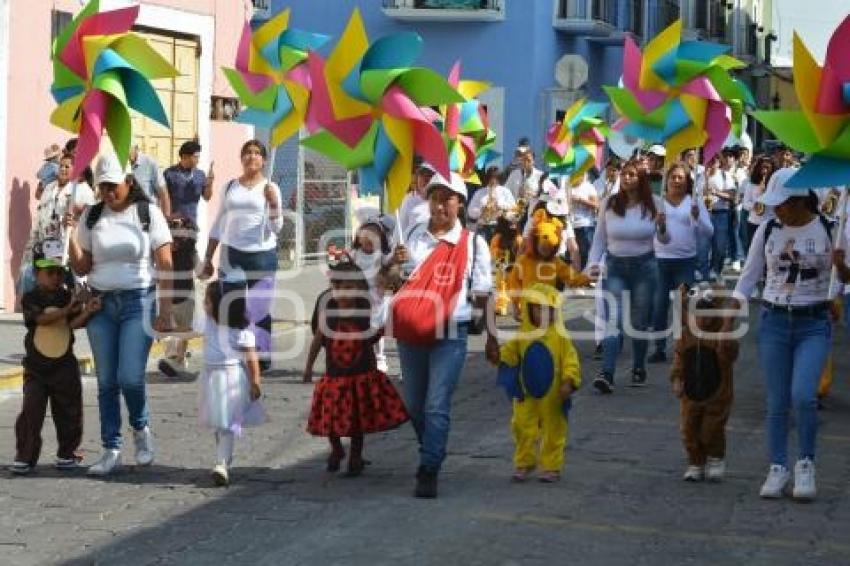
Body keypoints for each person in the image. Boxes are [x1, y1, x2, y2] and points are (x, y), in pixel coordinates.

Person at [733, 168, 844, 501]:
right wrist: (732, 314)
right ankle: (777, 466)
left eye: (781, 204)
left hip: (813, 322)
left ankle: (806, 464)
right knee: (777, 401)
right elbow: (749, 276)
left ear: (799, 199)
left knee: (804, 396)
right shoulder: (767, 230)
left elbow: (841, 279)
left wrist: (840, 277)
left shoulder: (830, 230)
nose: (776, 209)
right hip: (774, 320)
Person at [67, 153, 173, 476]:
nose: (108, 193)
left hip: (137, 301)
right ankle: (111, 448)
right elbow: (82, 266)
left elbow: (165, 263)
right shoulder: (93, 216)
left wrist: (165, 310)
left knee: (130, 377)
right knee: (106, 381)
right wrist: (72, 236)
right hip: (100, 305)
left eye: (113, 186)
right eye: (102, 187)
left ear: (129, 182)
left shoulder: (147, 213)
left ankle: (141, 430)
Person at [392, 171, 495, 498]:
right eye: (434, 197)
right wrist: (392, 265)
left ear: (460, 203)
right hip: (410, 332)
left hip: (451, 332)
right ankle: (432, 446)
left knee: (437, 405)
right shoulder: (411, 236)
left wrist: (493, 337)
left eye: (447, 198)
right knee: (415, 405)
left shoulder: (474, 245)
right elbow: (390, 283)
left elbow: (483, 293)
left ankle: (429, 467)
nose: (439, 205)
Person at [304, 261, 409, 476]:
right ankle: (336, 450)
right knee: (331, 421)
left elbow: (375, 333)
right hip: (334, 377)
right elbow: (317, 340)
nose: (342, 293)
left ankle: (355, 456)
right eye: (338, 287)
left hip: (361, 377)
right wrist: (308, 367)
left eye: (349, 288)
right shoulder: (328, 312)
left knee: (357, 422)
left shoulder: (365, 311)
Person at [11, 245, 101, 475]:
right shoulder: (31, 298)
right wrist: (67, 308)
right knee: (32, 411)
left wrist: (86, 310)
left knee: (70, 411)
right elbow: (41, 320)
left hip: (64, 364)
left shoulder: (66, 296)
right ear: (37, 273)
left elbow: (71, 325)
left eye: (59, 272)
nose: (55, 277)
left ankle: (67, 453)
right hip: (37, 367)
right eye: (49, 272)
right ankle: (26, 456)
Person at [587, 159, 669, 392]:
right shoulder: (610, 204)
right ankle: (607, 372)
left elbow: (665, 241)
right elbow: (599, 238)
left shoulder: (655, 203)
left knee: (640, 323)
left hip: (645, 267)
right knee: (614, 319)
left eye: (632, 174)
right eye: (624, 174)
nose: (627, 178)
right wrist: (593, 263)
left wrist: (662, 227)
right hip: (615, 267)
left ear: (641, 178)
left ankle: (639, 366)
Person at [201, 140, 282, 372]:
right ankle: (235, 349)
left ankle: (262, 353)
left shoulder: (270, 188)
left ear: (264, 160)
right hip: (232, 254)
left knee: (257, 309)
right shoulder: (229, 187)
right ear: (242, 158)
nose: (252, 157)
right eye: (247, 152)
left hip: (262, 256)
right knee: (232, 305)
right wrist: (208, 256)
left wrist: (273, 203)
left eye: (257, 153)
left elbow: (277, 228)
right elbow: (218, 224)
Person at [487, 283, 580, 483]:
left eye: (550, 310)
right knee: (521, 425)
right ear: (529, 310)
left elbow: (571, 361)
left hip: (553, 394)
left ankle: (551, 465)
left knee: (554, 428)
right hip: (525, 391)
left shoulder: (561, 337)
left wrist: (569, 381)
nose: (546, 314)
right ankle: (524, 461)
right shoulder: (523, 335)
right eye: (540, 309)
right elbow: (510, 354)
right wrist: (498, 357)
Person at [198, 281, 263, 487]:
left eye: (207, 302)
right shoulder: (208, 322)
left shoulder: (240, 331)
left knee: (226, 424)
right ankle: (224, 457)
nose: (203, 304)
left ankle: (222, 463)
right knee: (220, 424)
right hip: (210, 378)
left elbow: (252, 359)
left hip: (231, 379)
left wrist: (255, 382)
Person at [671, 283, 738, 482]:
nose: (703, 319)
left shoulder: (721, 332)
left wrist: (725, 344)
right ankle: (695, 461)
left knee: (712, 428)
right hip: (691, 391)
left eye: (707, 314)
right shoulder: (686, 333)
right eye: (697, 314)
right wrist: (677, 378)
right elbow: (679, 356)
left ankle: (716, 458)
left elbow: (731, 354)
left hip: (716, 390)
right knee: (688, 428)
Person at [648, 162, 713, 363]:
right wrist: (659, 226)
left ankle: (683, 346)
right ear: (666, 180)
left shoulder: (694, 202)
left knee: (683, 306)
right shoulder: (657, 202)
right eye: (673, 177)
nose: (677, 181)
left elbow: (708, 232)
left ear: (688, 182)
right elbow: (652, 234)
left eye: (681, 178)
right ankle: (659, 348)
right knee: (659, 306)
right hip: (660, 261)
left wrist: (698, 218)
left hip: (685, 261)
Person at [159, 141, 213, 375]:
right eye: (193, 156)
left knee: (186, 287)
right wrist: (169, 221)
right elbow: (164, 199)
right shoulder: (170, 174)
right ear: (183, 156)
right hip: (172, 230)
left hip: (190, 230)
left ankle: (178, 354)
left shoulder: (199, 175)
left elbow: (207, 197)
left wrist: (210, 182)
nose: (196, 160)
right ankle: (174, 353)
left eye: (198, 157)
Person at [349, 217, 396, 374]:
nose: (370, 237)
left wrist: (397, 256)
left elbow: (390, 261)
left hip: (376, 297)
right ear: (358, 237)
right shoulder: (354, 254)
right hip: (358, 297)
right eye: (366, 234)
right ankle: (361, 357)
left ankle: (380, 357)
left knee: (376, 329)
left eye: (374, 235)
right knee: (359, 327)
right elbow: (343, 263)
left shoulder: (380, 255)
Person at [28, 152, 96, 256]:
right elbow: (39, 213)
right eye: (61, 166)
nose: (62, 169)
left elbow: (90, 220)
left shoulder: (83, 190)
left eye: (67, 167)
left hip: (68, 247)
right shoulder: (49, 187)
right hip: (45, 245)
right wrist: (34, 239)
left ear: (76, 169)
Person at [466, 166, 515, 242]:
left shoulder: (505, 191)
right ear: (487, 178)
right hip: (483, 227)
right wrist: (482, 210)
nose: (493, 180)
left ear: (499, 178)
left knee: (498, 252)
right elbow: (470, 211)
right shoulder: (480, 192)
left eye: (496, 178)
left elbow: (513, 208)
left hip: (500, 227)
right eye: (491, 178)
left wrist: (500, 205)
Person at [741, 157, 775, 251]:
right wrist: (754, 206)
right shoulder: (751, 185)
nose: (765, 171)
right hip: (754, 222)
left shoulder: (774, 185)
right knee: (752, 251)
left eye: (768, 168)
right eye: (763, 168)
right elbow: (745, 204)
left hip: (769, 222)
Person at [568, 174, 599, 271]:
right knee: (572, 253)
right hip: (570, 224)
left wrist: (580, 200)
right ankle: (576, 275)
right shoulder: (567, 186)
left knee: (585, 252)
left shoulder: (589, 187)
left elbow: (596, 205)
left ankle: (585, 275)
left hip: (585, 224)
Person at [129, 144, 171, 216]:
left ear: (136, 148)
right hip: (127, 214)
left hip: (148, 214)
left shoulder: (149, 162)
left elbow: (163, 192)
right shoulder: (117, 163)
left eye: (128, 149)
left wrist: (166, 217)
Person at [397, 161, 435, 240]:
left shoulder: (442, 202)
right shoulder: (409, 199)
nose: (425, 179)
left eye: (430, 175)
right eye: (422, 175)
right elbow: (400, 229)